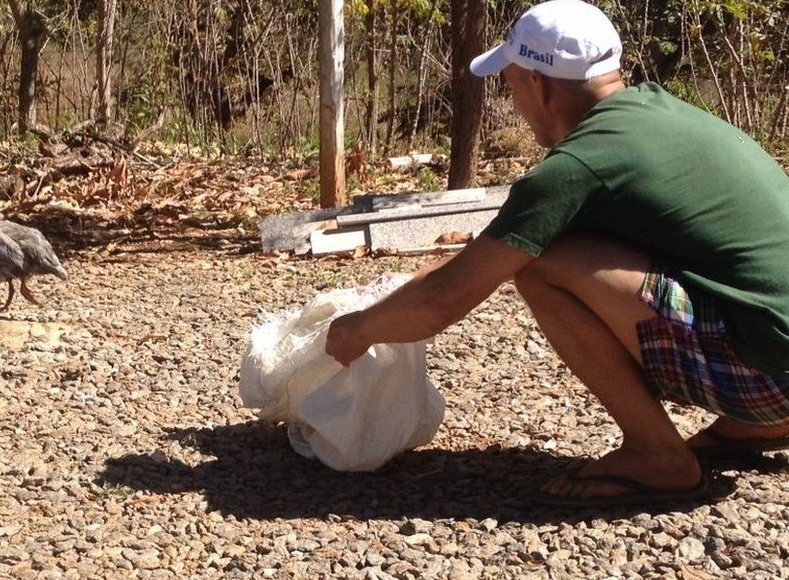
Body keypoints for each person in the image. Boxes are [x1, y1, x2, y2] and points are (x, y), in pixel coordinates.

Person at [324, 0, 789, 508]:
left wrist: (358, 330)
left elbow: (450, 298)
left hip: (766, 373)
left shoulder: (578, 166)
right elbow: (485, 254)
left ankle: (659, 458)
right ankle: (757, 423)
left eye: (511, 82)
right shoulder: (658, 114)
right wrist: (393, 293)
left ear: (536, 83)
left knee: (541, 265)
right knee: (542, 249)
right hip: (775, 355)